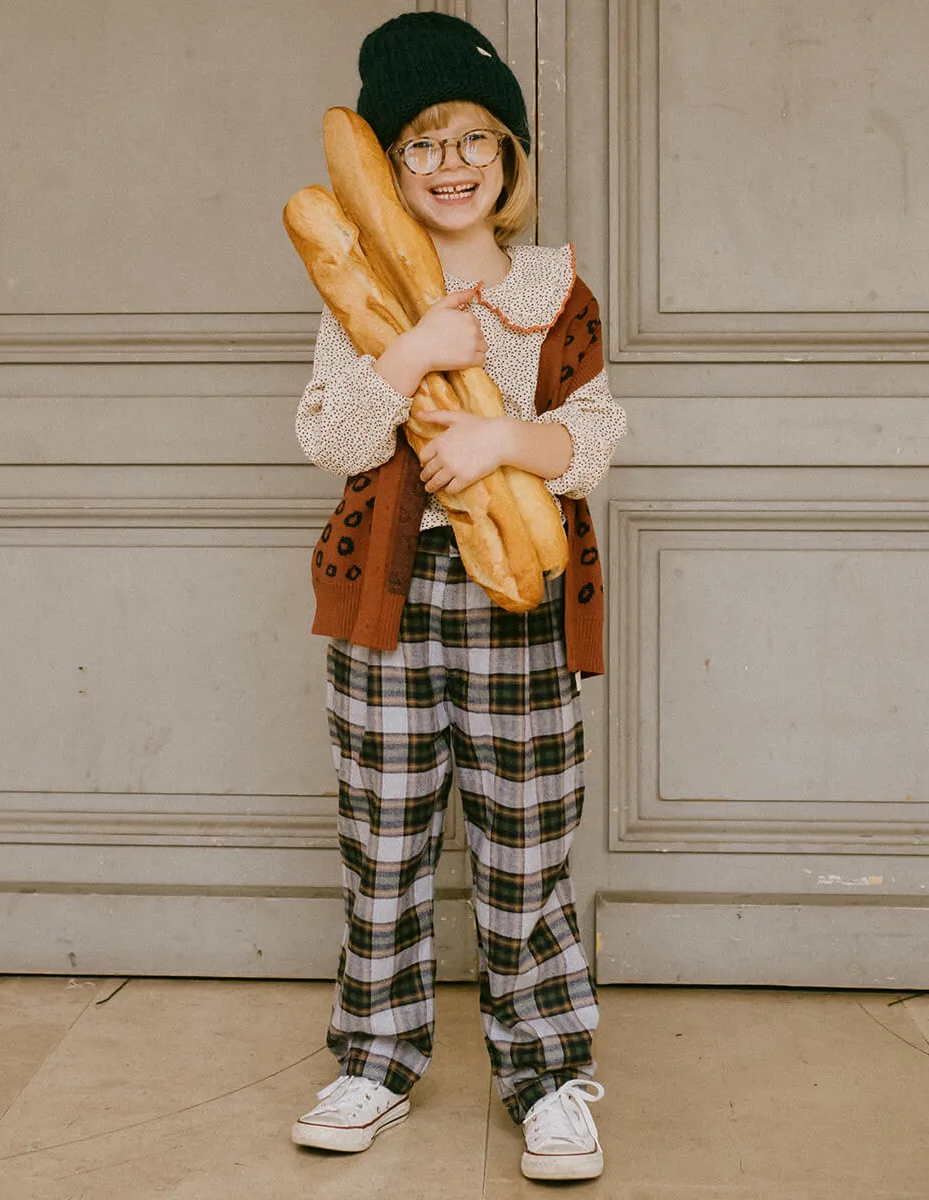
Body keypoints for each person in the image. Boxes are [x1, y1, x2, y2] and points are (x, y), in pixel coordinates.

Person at [287, 10, 627, 1185]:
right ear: (388, 166)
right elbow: (328, 435)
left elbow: (593, 433)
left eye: (474, 140)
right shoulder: (368, 290)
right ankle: (375, 1059)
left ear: (510, 162)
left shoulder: (551, 285)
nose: (449, 166)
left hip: (519, 601)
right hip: (386, 598)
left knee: (525, 842)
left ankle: (547, 1074)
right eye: (421, 144)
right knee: (384, 839)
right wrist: (402, 353)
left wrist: (499, 441)